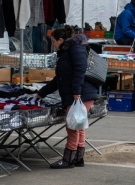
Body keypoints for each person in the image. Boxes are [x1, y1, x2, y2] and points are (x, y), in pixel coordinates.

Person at [37, 26, 98, 168]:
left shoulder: (74, 48)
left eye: (53, 41)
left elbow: (80, 69)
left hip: (79, 94)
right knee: (78, 125)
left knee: (72, 126)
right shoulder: (67, 51)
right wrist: (41, 93)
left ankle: (68, 159)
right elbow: (59, 79)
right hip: (80, 93)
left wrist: (77, 91)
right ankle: (78, 158)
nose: (53, 45)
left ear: (61, 40)